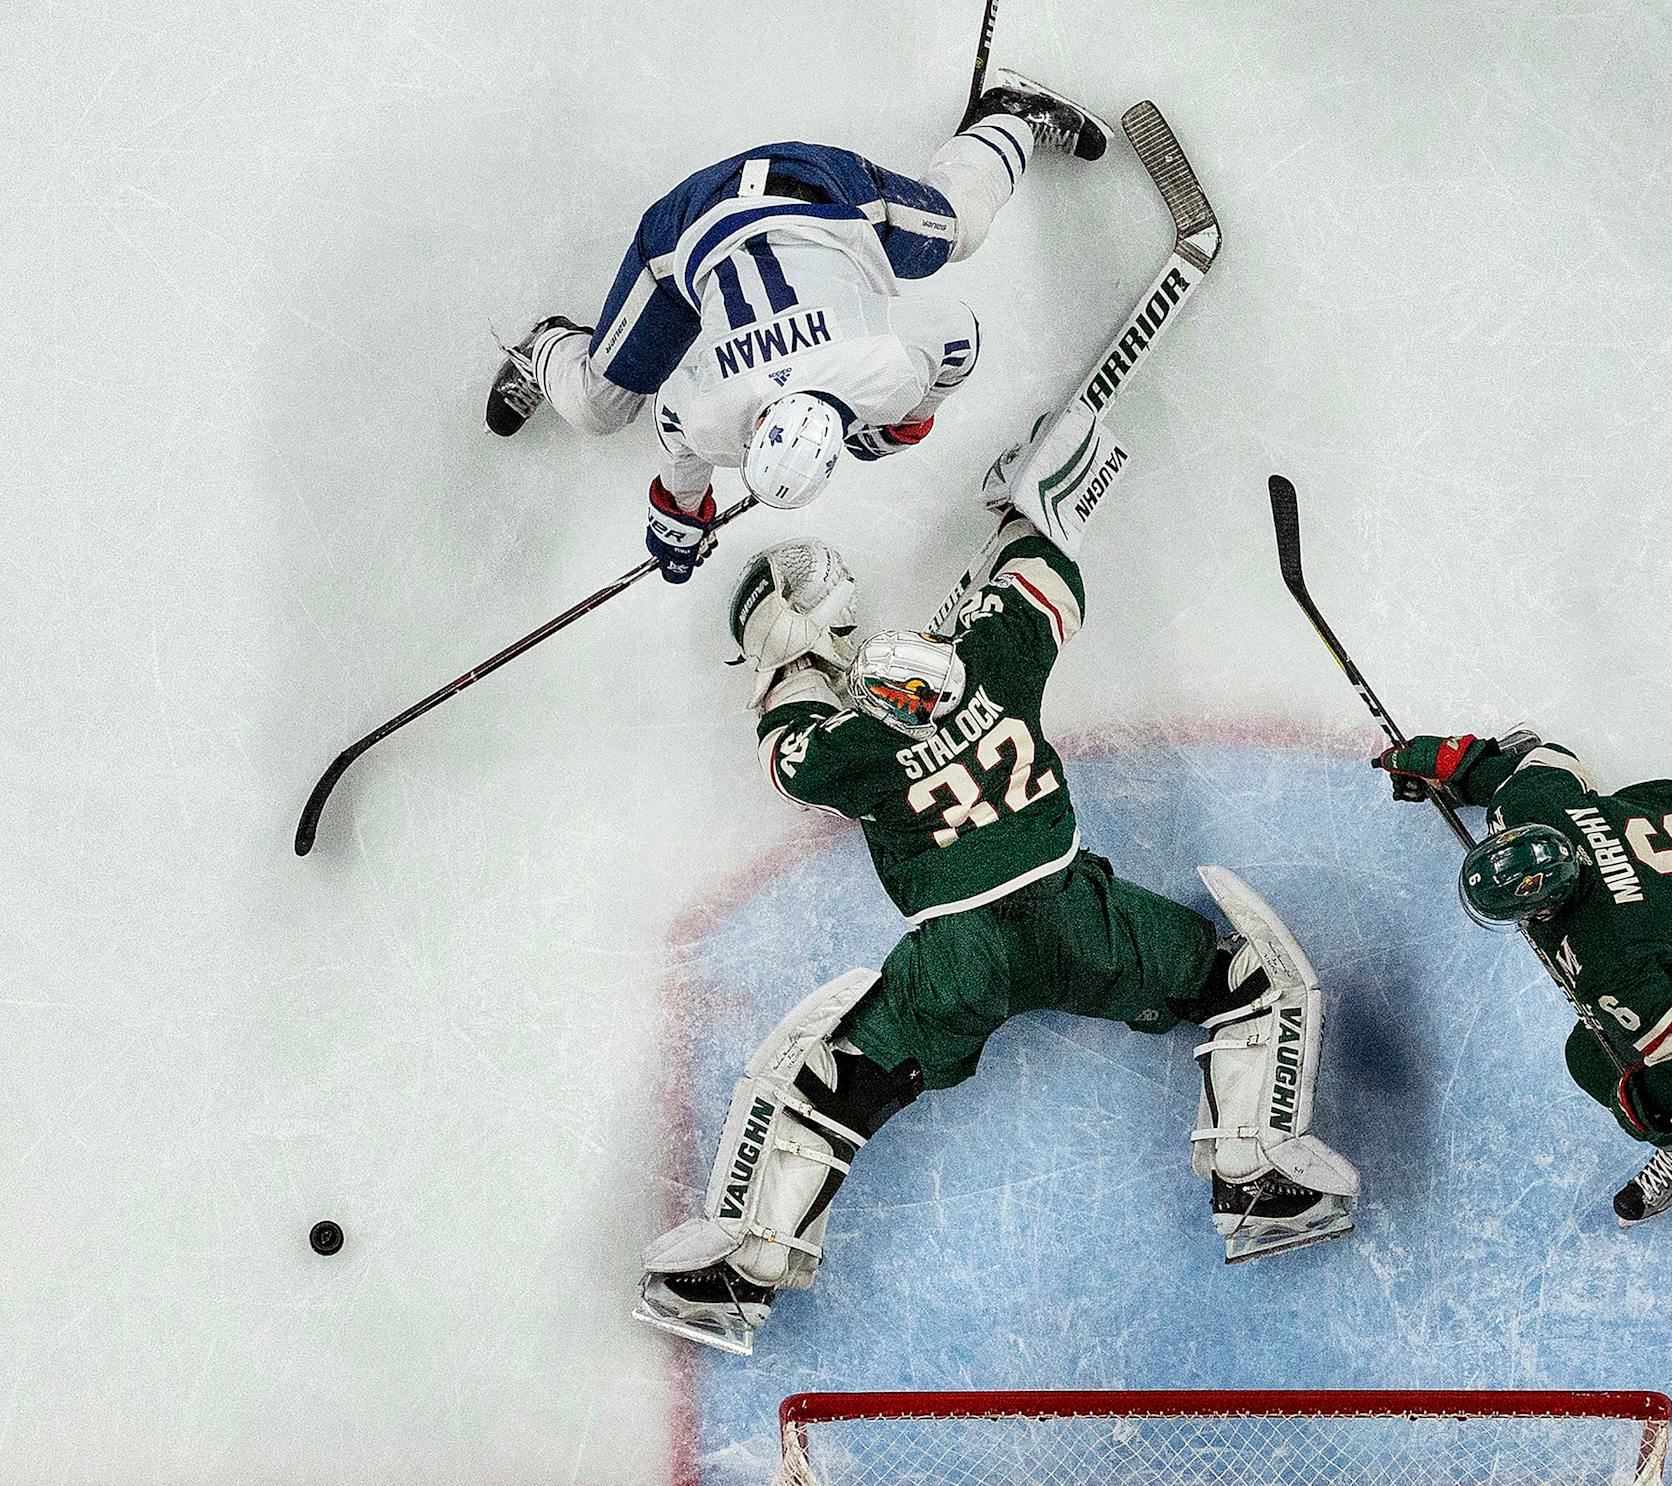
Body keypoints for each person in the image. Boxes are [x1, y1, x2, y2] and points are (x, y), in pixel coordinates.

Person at [632, 502, 1360, 1353]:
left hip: (958, 958)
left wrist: (787, 663)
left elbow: (787, 756)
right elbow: (1052, 579)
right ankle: (1260, 1174)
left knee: (832, 1085)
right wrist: (1025, 513)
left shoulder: (853, 745)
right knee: (1251, 985)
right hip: (1082, 921)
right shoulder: (991, 663)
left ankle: (742, 1268)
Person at [483, 73, 1109, 582]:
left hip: (805, 198)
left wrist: (908, 414)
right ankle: (546, 345)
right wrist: (678, 511)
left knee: (954, 229)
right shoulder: (727, 402)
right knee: (599, 406)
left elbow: (957, 338)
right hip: (720, 222)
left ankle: (1013, 115)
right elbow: (673, 423)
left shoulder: (879, 364)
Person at [1374, 732, 1672, 1225]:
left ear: (1545, 906)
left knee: (1591, 1056)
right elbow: (1544, 758)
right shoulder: (1531, 804)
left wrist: (1645, 1104)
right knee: (1598, 815)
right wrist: (1462, 767)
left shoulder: (1608, 963)